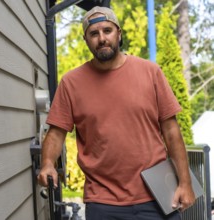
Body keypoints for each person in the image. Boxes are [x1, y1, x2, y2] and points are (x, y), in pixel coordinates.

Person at [37, 6, 196, 220]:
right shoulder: (71, 83)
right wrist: (47, 163)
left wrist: (185, 183)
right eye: (94, 33)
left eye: (107, 30)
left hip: (156, 198)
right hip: (102, 202)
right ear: (86, 39)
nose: (102, 38)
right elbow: (56, 133)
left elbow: (171, 131)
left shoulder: (150, 72)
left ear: (118, 33)